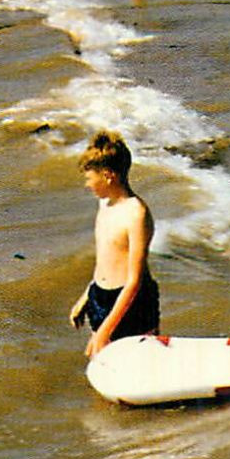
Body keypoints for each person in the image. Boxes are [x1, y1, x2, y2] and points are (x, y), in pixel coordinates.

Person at [68, 131, 159, 357]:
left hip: (131, 304)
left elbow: (134, 280)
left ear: (108, 175)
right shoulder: (104, 205)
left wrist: (105, 331)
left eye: (90, 178)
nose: (87, 185)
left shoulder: (137, 214)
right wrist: (87, 297)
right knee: (102, 362)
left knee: (137, 364)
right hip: (100, 296)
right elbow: (106, 259)